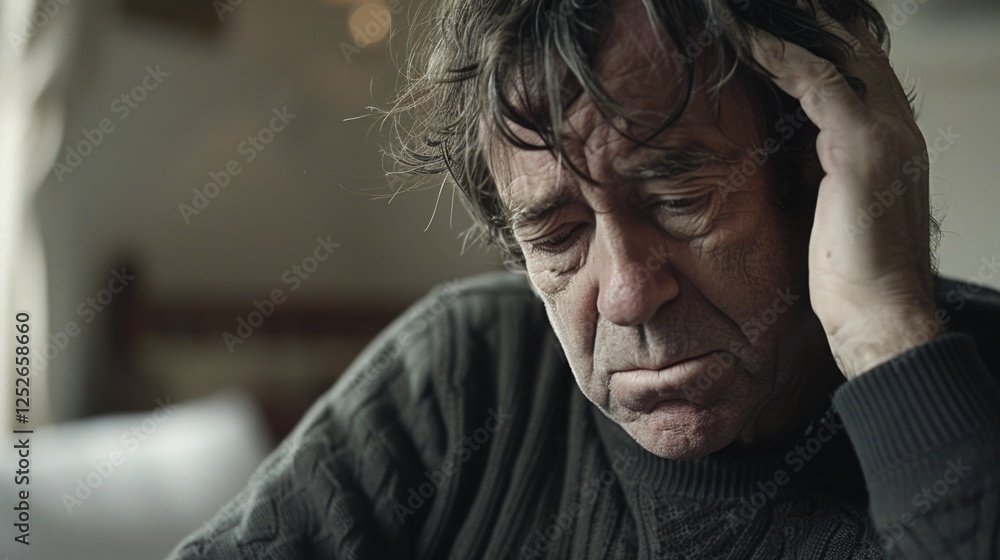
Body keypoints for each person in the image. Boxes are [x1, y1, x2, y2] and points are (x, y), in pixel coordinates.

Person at [168, 0, 1000, 558]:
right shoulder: (463, 371)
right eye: (557, 234)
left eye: (680, 201)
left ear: (819, 178)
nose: (627, 295)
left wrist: (889, 335)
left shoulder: (973, 404)